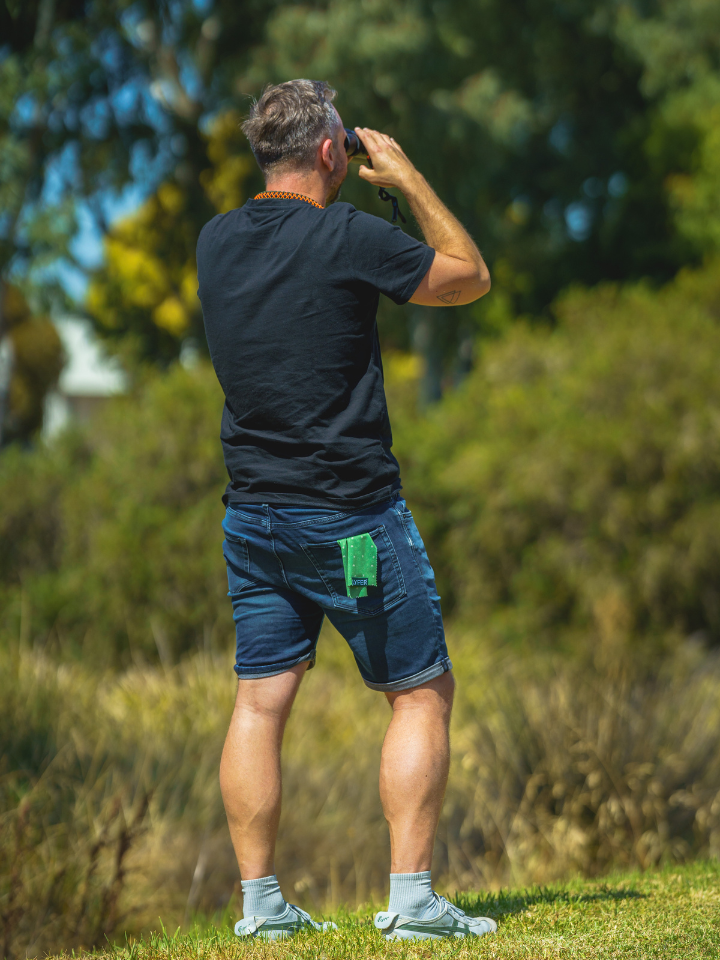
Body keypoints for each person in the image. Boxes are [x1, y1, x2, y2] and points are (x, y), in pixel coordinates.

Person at [196, 79, 493, 942]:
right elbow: (468, 276)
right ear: (334, 152)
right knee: (419, 694)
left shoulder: (216, 241)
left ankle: (261, 910)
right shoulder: (348, 233)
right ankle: (410, 901)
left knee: (259, 702)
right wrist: (405, 180)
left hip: (253, 523)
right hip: (350, 529)